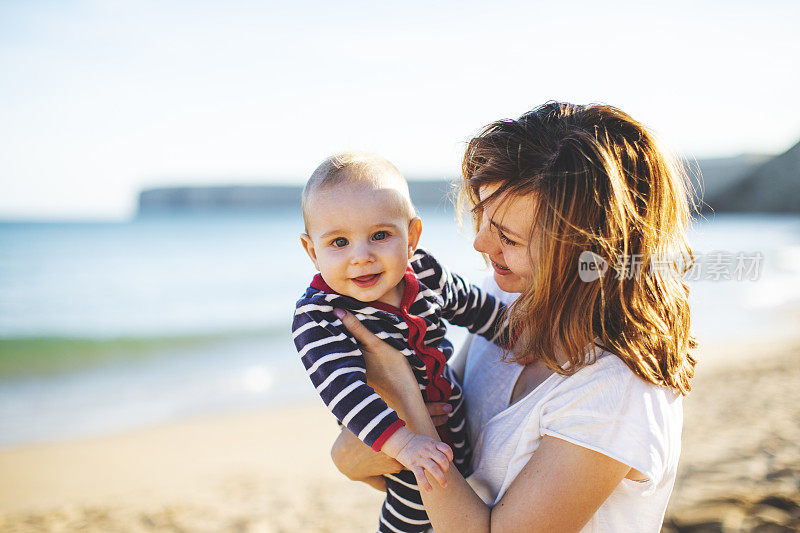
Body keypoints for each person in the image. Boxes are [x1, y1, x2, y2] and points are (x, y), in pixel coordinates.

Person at [330, 102, 697, 532]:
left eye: (508, 236)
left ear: (590, 251)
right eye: (483, 216)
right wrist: (351, 454)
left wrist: (401, 390)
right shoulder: (505, 305)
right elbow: (408, 472)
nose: (481, 243)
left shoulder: (615, 391)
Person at [292, 152, 509, 532]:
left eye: (380, 235)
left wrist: (520, 336)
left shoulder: (422, 271)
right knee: (410, 519)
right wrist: (403, 444)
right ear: (313, 251)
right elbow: (345, 391)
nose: (362, 256)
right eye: (339, 242)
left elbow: (473, 306)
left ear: (411, 237)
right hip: (399, 445)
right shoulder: (320, 315)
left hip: (460, 426)